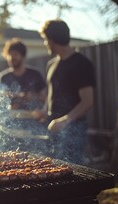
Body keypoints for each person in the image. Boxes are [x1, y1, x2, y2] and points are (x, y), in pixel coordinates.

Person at [38, 19, 95, 164]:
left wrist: (64, 121)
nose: (45, 44)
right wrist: (44, 110)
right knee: (53, 171)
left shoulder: (81, 63)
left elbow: (87, 101)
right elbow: (51, 94)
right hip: (53, 126)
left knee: (73, 172)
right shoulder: (51, 64)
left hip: (73, 128)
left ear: (51, 40)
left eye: (45, 40)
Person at [0, 38, 47, 112]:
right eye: (9, 54)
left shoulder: (35, 74)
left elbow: (44, 98)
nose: (12, 58)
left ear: (23, 56)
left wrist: (32, 97)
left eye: (15, 54)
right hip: (11, 118)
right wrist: (6, 97)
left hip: (33, 117)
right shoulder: (3, 77)